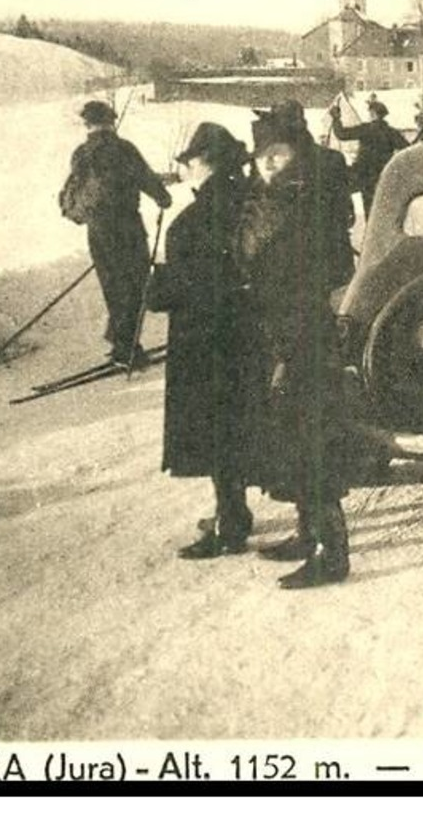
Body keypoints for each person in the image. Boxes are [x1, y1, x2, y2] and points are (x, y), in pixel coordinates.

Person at [235, 111, 353, 588]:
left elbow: (335, 269)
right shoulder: (265, 198)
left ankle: (332, 551)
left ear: (296, 154)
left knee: (314, 442)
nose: (268, 164)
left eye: (277, 155)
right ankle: (307, 533)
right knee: (292, 439)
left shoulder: (307, 201)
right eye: (262, 157)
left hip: (303, 337)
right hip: (277, 332)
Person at [146, 123, 251, 559]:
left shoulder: (193, 222)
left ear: (205, 163)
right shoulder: (249, 203)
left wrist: (156, 286)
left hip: (205, 341)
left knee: (217, 433)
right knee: (241, 427)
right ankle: (236, 513)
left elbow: (178, 291)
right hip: (245, 334)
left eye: (189, 161)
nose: (185, 169)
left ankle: (230, 523)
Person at [59, 99, 172, 367]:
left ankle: (122, 340)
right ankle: (126, 347)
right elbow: (145, 177)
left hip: (97, 231)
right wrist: (163, 198)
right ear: (111, 121)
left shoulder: (81, 153)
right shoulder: (123, 149)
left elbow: (74, 189)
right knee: (136, 285)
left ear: (88, 124)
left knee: (113, 286)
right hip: (127, 228)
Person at [260, 100, 355, 290]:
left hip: (292, 273)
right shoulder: (333, 159)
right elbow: (347, 215)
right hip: (332, 267)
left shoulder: (274, 168)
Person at [329, 96, 409, 219]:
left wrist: (336, 118)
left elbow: (341, 134)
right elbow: (407, 149)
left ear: (373, 114)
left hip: (364, 175)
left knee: (368, 208)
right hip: (383, 175)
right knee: (383, 210)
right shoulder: (391, 132)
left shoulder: (365, 129)